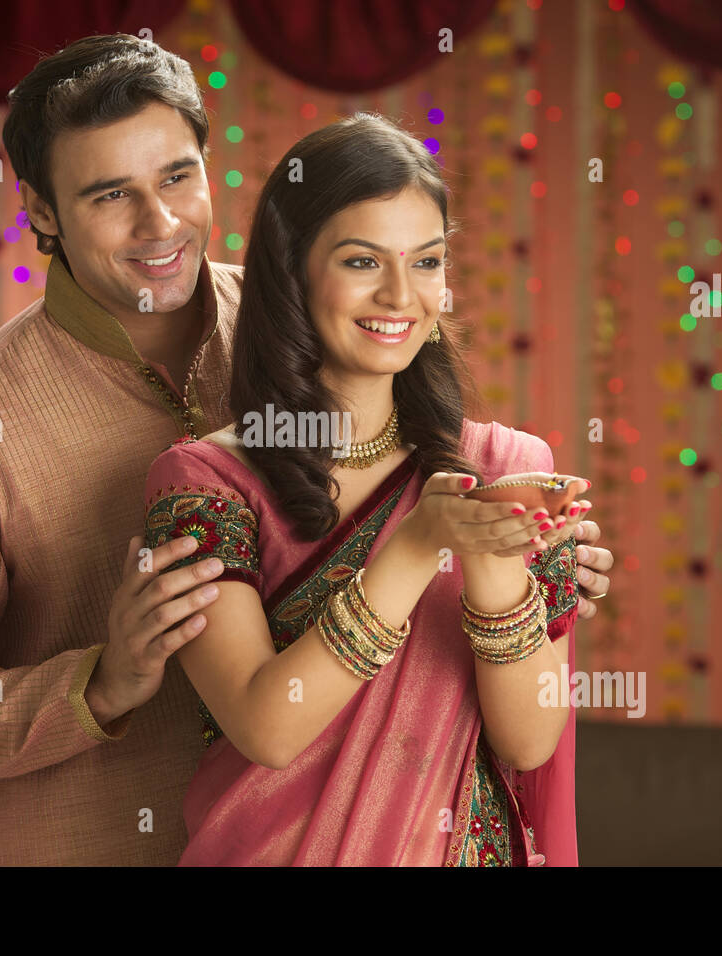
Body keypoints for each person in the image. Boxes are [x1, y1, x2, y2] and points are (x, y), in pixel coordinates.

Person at [0, 34, 613, 866]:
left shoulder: (322, 316)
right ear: (40, 210)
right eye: (112, 195)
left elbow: (442, 491)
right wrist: (99, 684)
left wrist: (529, 567)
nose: (160, 222)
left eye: (178, 177)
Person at [144, 113, 585, 865]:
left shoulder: (504, 464)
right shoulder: (205, 483)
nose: (400, 296)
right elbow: (267, 726)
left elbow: (531, 738)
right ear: (291, 274)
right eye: (360, 261)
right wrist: (417, 545)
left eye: (427, 262)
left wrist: (488, 553)